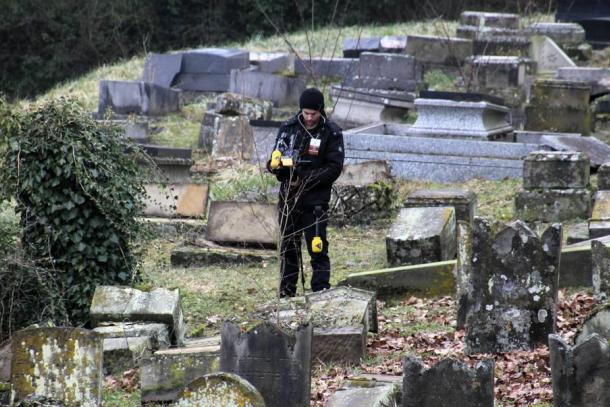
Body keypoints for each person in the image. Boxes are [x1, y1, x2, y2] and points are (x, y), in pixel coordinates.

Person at [267, 88, 344, 298]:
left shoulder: (331, 133)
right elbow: (276, 156)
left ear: (321, 111)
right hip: (289, 201)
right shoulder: (288, 128)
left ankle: (321, 293)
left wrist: (304, 177)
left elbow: (334, 168)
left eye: (313, 114)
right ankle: (286, 295)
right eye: (305, 113)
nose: (309, 118)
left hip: (314, 202)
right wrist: (275, 166)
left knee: (317, 248)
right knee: (288, 250)